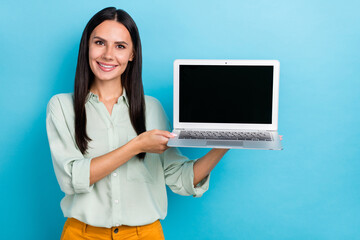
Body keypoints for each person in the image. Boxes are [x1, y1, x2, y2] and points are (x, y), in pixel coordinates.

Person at [46, 7, 228, 240]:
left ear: (132, 54)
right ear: (87, 47)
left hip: (145, 235)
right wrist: (136, 145)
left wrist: (227, 142)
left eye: (120, 46)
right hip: (81, 234)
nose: (108, 55)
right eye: (100, 43)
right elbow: (72, 178)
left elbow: (180, 178)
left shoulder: (151, 108)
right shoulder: (62, 106)